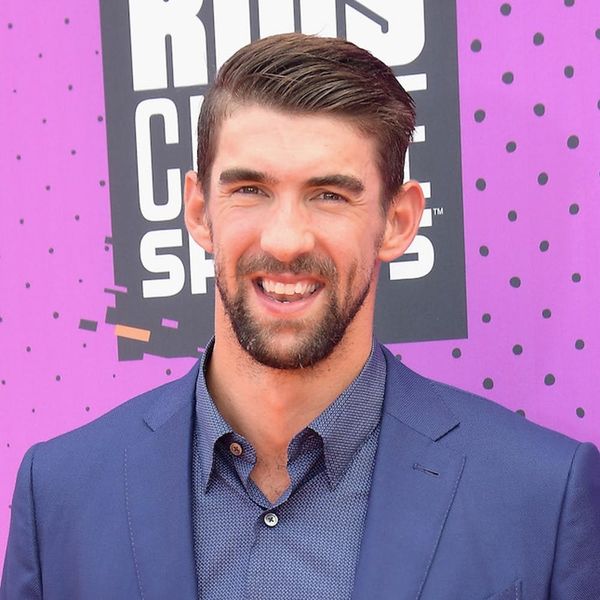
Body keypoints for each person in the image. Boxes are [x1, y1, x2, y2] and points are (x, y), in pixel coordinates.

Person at [2, 33, 599, 600]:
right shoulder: (60, 493)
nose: (286, 240)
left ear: (398, 222)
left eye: (330, 195)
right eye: (250, 190)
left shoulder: (542, 494)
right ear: (199, 210)